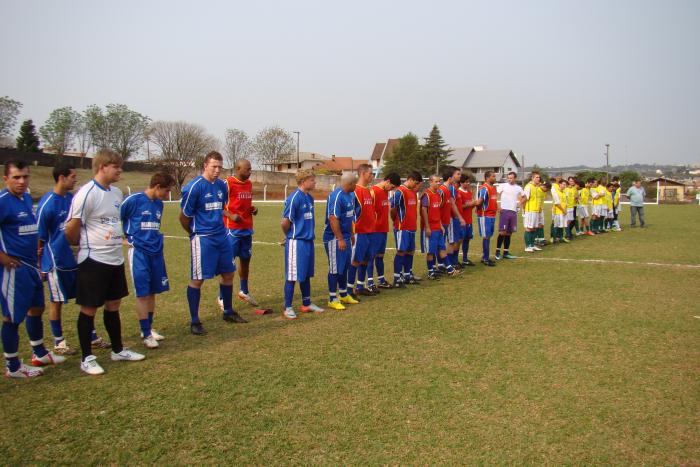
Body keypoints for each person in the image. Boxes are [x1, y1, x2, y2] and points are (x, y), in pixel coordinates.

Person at [65, 149, 144, 376]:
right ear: (102, 167)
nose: (120, 170)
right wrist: (83, 244)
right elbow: (71, 228)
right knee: (89, 308)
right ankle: (86, 357)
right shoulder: (86, 193)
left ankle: (117, 349)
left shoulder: (117, 193)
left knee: (113, 305)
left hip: (114, 258)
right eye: (116, 166)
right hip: (94, 259)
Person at [1, 160, 64, 378]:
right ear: (5, 178)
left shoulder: (26, 198)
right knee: (12, 317)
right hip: (13, 268)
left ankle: (39, 352)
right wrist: (3, 258)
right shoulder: (3, 201)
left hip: (31, 265)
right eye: (16, 177)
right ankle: (13, 366)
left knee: (36, 308)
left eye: (25, 176)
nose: (21, 181)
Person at [180, 151, 242, 337]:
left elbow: (220, 208)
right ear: (205, 165)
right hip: (203, 238)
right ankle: (194, 321)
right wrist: (193, 234)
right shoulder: (194, 187)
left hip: (221, 236)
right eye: (213, 166)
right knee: (198, 279)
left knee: (228, 273)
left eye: (220, 167)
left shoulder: (222, 186)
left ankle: (228, 312)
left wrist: (229, 216)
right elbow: (184, 217)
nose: (217, 170)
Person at [121, 173, 175, 349]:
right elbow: (115, 218)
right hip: (139, 253)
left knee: (152, 291)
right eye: (166, 191)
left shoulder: (159, 204)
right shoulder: (133, 200)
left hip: (156, 252)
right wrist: (123, 239)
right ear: (157, 186)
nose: (167, 195)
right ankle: (145, 333)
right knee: (142, 293)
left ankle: (149, 328)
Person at [36, 161, 79, 355]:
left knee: (85, 296)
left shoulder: (70, 199)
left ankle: (93, 335)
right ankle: (59, 341)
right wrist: (39, 265)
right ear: (61, 178)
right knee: (56, 301)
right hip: (56, 262)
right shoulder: (47, 204)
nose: (75, 180)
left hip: (75, 259)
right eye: (72, 177)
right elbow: (39, 238)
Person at [281, 170, 324, 319]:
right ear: (303, 181)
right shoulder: (294, 198)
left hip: (308, 242)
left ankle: (307, 303)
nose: (315, 182)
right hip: (296, 242)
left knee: (305, 274)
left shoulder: (309, 198)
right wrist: (289, 236)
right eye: (312, 180)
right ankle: (287, 307)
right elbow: (285, 222)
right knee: (292, 275)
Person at [219, 159, 259, 310]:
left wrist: (253, 209)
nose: (250, 172)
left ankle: (244, 291)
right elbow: (218, 205)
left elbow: (245, 204)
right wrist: (230, 215)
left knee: (246, 261)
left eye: (250, 169)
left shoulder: (248, 184)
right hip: (232, 230)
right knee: (228, 265)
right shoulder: (227, 183)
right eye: (247, 169)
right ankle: (221, 296)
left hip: (247, 229)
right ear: (238, 168)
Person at [323, 173, 358, 310]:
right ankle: (332, 298)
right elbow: (333, 218)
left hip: (347, 236)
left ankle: (343, 294)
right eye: (355, 184)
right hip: (334, 238)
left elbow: (350, 216)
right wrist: (340, 238)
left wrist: (352, 234)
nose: (356, 186)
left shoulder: (351, 195)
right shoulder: (336, 196)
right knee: (335, 268)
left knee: (344, 266)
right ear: (349, 184)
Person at [366, 172, 400, 291]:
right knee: (371, 256)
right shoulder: (373, 192)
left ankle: (381, 280)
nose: (392, 189)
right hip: (374, 231)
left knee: (380, 256)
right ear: (388, 181)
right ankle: (369, 283)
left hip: (383, 230)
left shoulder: (385, 192)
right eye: (392, 187)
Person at [421, 175, 458, 279]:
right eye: (436, 182)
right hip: (431, 228)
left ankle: (450, 270)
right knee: (431, 251)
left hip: (438, 227)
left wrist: (441, 225)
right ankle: (431, 272)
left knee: (442, 249)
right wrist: (427, 227)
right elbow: (424, 211)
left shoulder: (438, 194)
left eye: (439, 181)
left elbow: (437, 212)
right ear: (430, 182)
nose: (438, 183)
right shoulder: (426, 195)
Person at [348, 164, 375, 297]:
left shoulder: (368, 190)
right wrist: (352, 231)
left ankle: (360, 286)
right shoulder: (356, 191)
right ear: (363, 173)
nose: (372, 176)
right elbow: (351, 213)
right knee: (355, 260)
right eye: (371, 173)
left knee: (365, 260)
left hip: (369, 232)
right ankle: (349, 289)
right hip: (359, 232)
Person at [390, 171, 422, 287]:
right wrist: (396, 221)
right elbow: (393, 208)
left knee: (410, 251)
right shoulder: (400, 192)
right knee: (401, 251)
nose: (417, 185)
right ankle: (397, 278)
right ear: (410, 179)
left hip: (412, 227)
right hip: (402, 227)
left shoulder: (413, 192)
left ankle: (407, 275)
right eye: (416, 183)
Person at [439, 166, 466, 270]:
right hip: (448, 219)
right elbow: (446, 205)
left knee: (450, 241)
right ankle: (448, 265)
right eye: (458, 174)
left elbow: (452, 204)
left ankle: (447, 264)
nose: (460, 176)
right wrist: (459, 217)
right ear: (451, 176)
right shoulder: (448, 189)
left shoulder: (451, 188)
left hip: (449, 219)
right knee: (450, 242)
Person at [495, 171, 524, 259]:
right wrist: (498, 206)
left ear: (515, 178)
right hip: (504, 211)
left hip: (513, 212)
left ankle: (506, 253)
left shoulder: (518, 188)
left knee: (509, 233)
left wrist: (519, 205)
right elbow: (496, 195)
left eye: (511, 178)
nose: (510, 179)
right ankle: (497, 252)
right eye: (509, 178)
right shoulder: (503, 186)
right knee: (502, 232)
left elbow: (524, 197)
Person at [476, 171, 498, 266]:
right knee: (486, 237)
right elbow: (479, 202)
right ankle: (485, 258)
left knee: (488, 236)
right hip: (485, 216)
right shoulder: (485, 188)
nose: (495, 178)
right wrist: (479, 212)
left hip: (492, 215)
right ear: (487, 178)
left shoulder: (493, 188)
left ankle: (485, 257)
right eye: (493, 176)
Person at [457, 173, 478, 265]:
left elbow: (470, 206)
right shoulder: (458, 192)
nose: (468, 184)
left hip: (469, 220)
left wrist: (473, 204)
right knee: (459, 240)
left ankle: (465, 259)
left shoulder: (469, 192)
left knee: (467, 239)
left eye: (469, 182)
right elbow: (458, 207)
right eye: (466, 182)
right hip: (461, 221)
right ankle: (455, 260)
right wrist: (469, 204)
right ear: (461, 183)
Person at [522, 171, 543, 253]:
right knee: (529, 228)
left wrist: (540, 207)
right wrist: (523, 210)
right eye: (536, 177)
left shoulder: (537, 187)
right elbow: (524, 198)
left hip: (536, 211)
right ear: (532, 178)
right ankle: (527, 246)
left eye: (539, 177)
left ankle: (532, 245)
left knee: (534, 228)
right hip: (530, 211)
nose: (538, 179)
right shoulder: (528, 186)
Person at [550, 177, 568, 243]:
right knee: (555, 225)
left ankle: (561, 237)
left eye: (565, 185)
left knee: (562, 225)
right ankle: (553, 238)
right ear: (559, 184)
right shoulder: (555, 191)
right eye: (563, 184)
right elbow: (557, 203)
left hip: (563, 211)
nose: (564, 186)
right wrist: (563, 210)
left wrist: (565, 210)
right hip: (557, 211)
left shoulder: (564, 192)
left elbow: (566, 202)